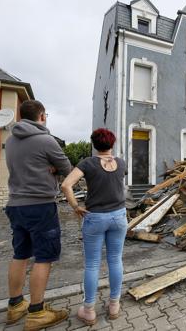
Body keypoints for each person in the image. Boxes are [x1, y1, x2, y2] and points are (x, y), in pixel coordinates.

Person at [4, 100, 71, 330]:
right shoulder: (46, 140)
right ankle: (37, 311)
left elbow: (25, 165)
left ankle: (15, 306)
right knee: (44, 257)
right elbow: (68, 169)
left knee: (20, 254)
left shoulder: (11, 140)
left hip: (15, 205)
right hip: (40, 206)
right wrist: (53, 168)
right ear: (42, 116)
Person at [61, 128, 127, 325]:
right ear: (112, 144)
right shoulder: (121, 162)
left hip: (95, 217)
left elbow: (66, 185)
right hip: (119, 217)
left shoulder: (88, 163)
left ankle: (89, 310)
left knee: (92, 264)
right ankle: (114, 304)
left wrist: (75, 206)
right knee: (115, 260)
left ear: (93, 144)